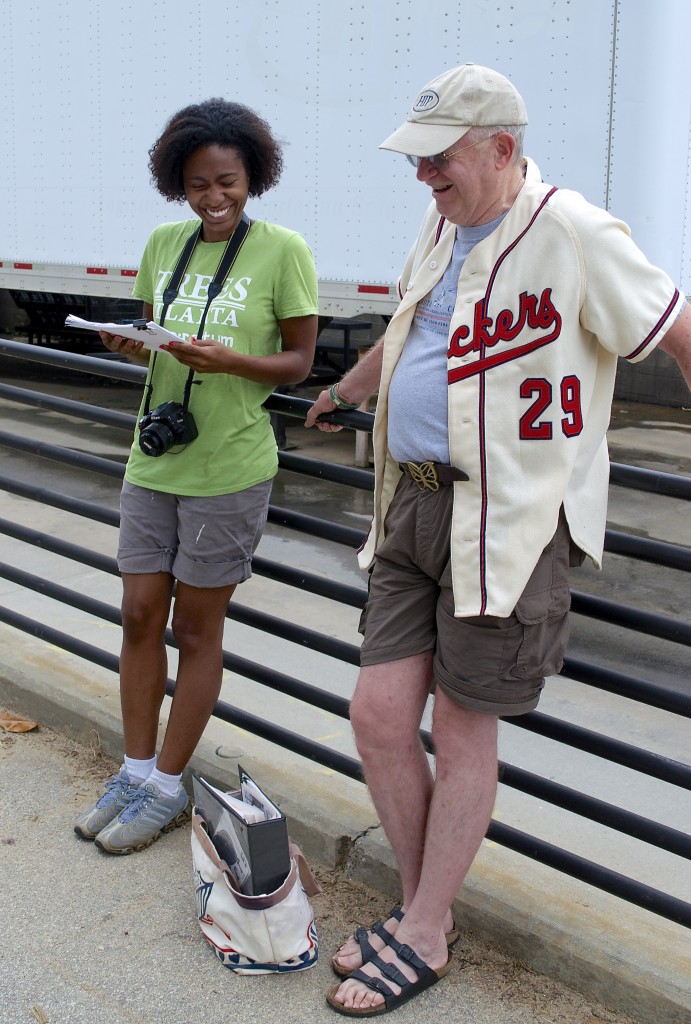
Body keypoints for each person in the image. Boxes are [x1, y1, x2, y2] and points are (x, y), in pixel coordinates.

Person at [305, 63, 691, 1015]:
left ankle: (425, 929)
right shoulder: (443, 222)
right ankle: (417, 904)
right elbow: (415, 332)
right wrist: (349, 391)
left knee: (463, 725)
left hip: (509, 524)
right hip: (412, 506)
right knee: (378, 717)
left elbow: (676, 328)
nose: (423, 178)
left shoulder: (572, 230)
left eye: (439, 160)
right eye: (420, 160)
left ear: (502, 149)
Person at [74, 99, 318, 854]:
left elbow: (300, 364)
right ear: (174, 184)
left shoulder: (283, 250)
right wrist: (132, 346)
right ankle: (136, 770)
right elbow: (157, 338)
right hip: (155, 458)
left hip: (230, 468)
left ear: (255, 177)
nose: (213, 199)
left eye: (227, 183)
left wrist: (230, 360)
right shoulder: (163, 242)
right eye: (197, 185)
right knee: (140, 614)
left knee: (195, 628)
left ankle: (169, 786)